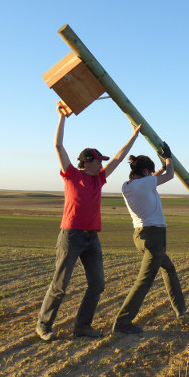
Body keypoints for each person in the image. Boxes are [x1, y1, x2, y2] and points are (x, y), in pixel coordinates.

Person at [35, 101, 141, 341]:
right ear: (87, 162)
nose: (102, 164)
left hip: (92, 238)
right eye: (98, 161)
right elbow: (58, 145)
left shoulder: (99, 180)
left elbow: (118, 157)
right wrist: (62, 118)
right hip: (71, 235)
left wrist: (133, 135)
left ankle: (82, 326)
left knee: (98, 284)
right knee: (60, 284)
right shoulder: (71, 175)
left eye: (102, 162)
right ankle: (43, 325)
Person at [112, 143, 186, 334]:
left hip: (140, 235)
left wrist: (159, 167)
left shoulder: (129, 186)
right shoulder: (144, 184)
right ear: (145, 170)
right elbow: (169, 175)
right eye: (150, 171)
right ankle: (122, 322)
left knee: (169, 268)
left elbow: (152, 179)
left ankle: (181, 310)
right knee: (144, 281)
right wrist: (169, 158)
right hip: (154, 236)